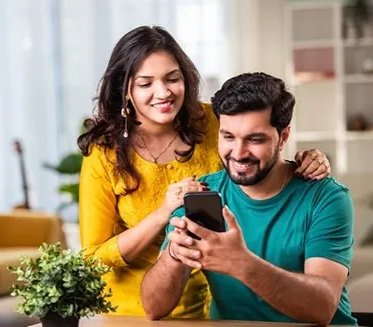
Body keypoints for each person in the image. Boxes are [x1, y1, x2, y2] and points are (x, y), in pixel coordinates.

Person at [77, 26, 333, 319]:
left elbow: (257, 154)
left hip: (215, 306)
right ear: (125, 91)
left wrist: (310, 160)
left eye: (172, 79)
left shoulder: (211, 122)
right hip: (133, 311)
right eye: (145, 83)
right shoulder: (104, 153)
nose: (163, 93)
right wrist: (163, 213)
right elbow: (92, 258)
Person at [141, 72, 357, 326]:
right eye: (229, 137)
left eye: (255, 139)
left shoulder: (326, 198)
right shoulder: (202, 193)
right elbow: (154, 308)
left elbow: (323, 307)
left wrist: (240, 263)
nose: (239, 153)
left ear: (283, 137)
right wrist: (174, 257)